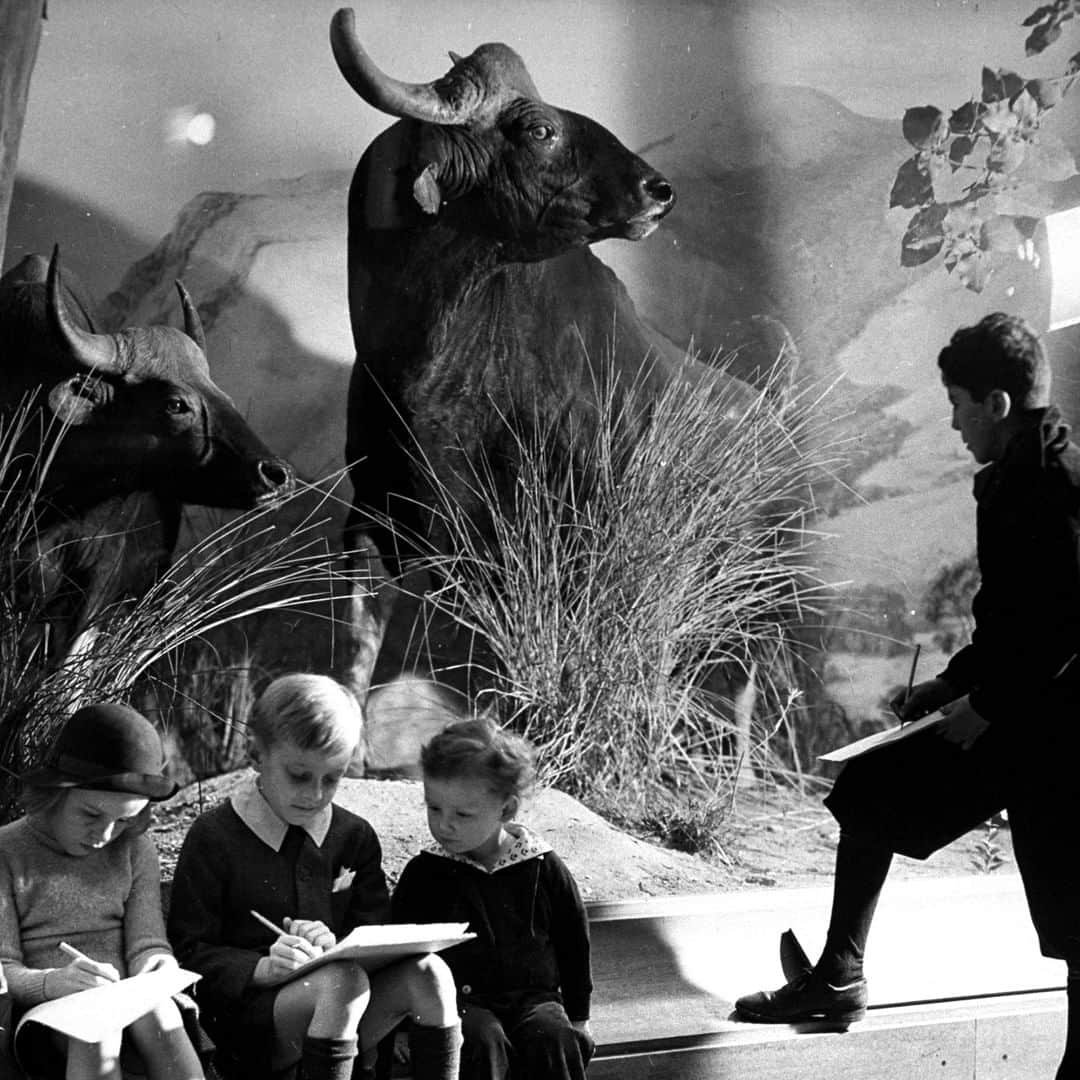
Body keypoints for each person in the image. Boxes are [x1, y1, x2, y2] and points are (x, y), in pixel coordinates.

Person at [734, 313, 1080, 1078]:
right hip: (1019, 711)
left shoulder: (1056, 484)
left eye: (958, 403)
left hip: (1060, 735)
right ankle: (839, 977)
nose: (953, 424)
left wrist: (985, 708)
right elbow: (1016, 619)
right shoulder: (1019, 472)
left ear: (995, 404)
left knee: (1078, 918)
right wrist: (953, 685)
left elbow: (1069, 630)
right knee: (874, 785)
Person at [167, 673, 461, 1080]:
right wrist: (260, 967)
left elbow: (375, 936)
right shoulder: (215, 836)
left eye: (332, 778)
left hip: (345, 1010)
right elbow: (187, 951)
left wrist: (336, 944)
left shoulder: (353, 836)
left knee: (430, 973)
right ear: (256, 755)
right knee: (340, 981)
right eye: (299, 775)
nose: (316, 794)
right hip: (251, 1026)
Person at [0, 701, 205, 1080]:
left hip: (129, 999)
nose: (105, 836)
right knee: (98, 1027)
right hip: (50, 1013)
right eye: (92, 815)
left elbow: (147, 943)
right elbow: (4, 969)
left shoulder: (136, 849)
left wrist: (156, 965)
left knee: (159, 1010)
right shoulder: (7, 851)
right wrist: (53, 982)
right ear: (55, 794)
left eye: (124, 820)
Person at [392, 716, 594, 1080]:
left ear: (506, 809)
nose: (444, 824)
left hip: (535, 1000)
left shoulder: (541, 866)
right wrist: (402, 1027)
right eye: (433, 808)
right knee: (478, 1040)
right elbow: (399, 953)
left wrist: (579, 1017)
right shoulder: (426, 873)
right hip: (458, 1003)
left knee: (553, 1037)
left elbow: (573, 943)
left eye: (462, 814)